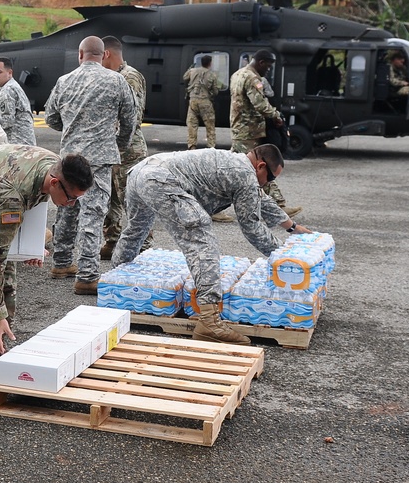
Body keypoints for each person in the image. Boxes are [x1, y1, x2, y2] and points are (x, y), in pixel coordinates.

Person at [0, 145, 94, 404]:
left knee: (7, 272)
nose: (72, 204)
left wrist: (28, 246)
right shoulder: (12, 195)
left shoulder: (52, 169)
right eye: (71, 198)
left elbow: (23, 215)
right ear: (55, 182)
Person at [112, 144, 312, 345]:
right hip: (160, 181)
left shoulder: (237, 164)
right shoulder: (245, 175)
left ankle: (113, 286)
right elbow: (251, 227)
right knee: (201, 238)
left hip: (141, 172)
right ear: (261, 166)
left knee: (136, 229)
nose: (268, 184)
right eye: (271, 178)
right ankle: (209, 321)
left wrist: (292, 227)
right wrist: (284, 258)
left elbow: (260, 200)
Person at [44, 36, 137, 294]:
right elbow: (130, 120)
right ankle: (87, 276)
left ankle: (61, 262)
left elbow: (51, 118)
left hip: (69, 157)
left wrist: (73, 128)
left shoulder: (64, 81)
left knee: (66, 209)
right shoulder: (117, 80)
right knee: (93, 215)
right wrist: (117, 144)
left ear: (80, 54)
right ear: (103, 54)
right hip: (99, 159)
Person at [229, 49, 302, 219]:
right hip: (249, 131)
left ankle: (278, 204)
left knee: (246, 167)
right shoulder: (253, 78)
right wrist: (276, 116)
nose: (267, 70)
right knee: (254, 167)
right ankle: (278, 205)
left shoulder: (237, 74)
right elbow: (259, 103)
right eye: (267, 67)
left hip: (241, 128)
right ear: (261, 62)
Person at [100, 35, 149, 261]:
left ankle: (143, 247)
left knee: (133, 199)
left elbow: (133, 116)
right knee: (110, 200)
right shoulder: (111, 77)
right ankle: (112, 240)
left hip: (128, 151)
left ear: (107, 54)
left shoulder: (130, 77)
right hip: (110, 149)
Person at [0, 57, 37, 146]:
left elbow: (6, 121)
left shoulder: (7, 90)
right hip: (24, 143)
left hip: (17, 144)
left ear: (10, 73)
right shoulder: (13, 86)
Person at [182, 55, 224, 150]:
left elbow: (185, 77)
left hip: (193, 100)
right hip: (205, 102)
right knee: (210, 125)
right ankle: (211, 146)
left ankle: (192, 145)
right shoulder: (212, 75)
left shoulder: (192, 71)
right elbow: (215, 91)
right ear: (210, 63)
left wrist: (190, 68)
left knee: (192, 124)